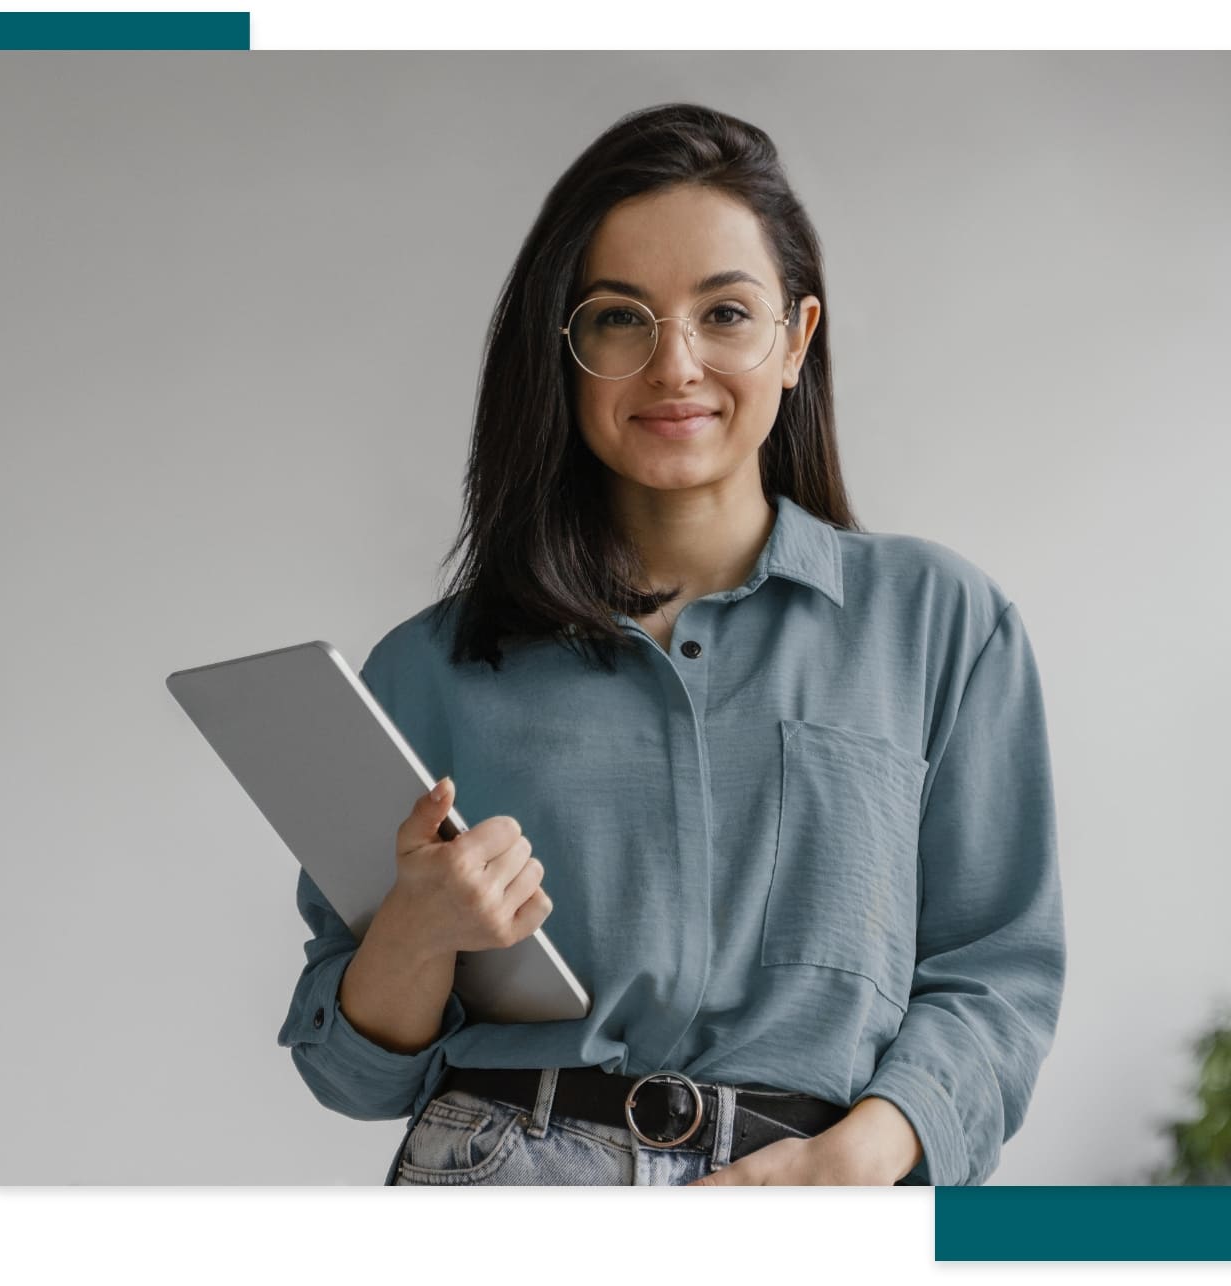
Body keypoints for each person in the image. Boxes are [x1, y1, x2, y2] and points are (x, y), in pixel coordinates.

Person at [277, 102, 1065, 1187]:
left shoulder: (941, 625)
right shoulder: (425, 670)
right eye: (617, 319)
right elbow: (352, 1073)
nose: (674, 365)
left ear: (794, 340)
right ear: (562, 351)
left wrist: (855, 1159)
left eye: (725, 313)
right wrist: (417, 924)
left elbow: (995, 976)